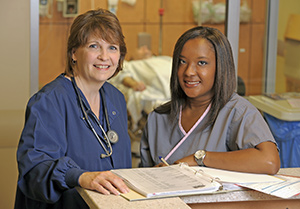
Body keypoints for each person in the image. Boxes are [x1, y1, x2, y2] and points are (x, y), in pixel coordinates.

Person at [14, 9, 132, 209]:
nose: (105, 56)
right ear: (74, 53)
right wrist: (80, 177)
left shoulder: (116, 98)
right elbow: (35, 171)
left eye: (112, 48)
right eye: (94, 46)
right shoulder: (49, 102)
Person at [140, 26, 281, 175]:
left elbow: (269, 161)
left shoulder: (237, 112)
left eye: (201, 63)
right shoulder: (158, 118)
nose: (189, 72)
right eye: (182, 62)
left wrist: (199, 158)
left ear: (220, 67)